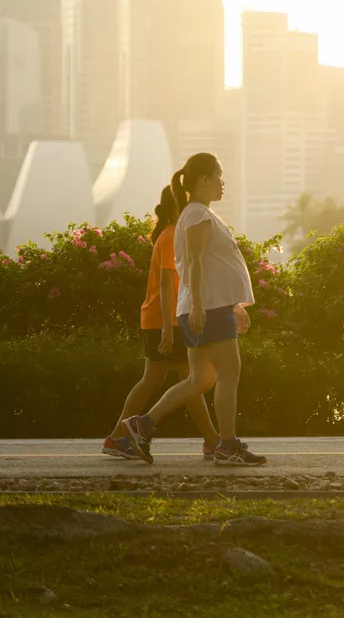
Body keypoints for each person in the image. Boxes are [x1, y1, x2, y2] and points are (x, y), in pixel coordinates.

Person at [119, 153, 266, 466]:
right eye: (219, 176)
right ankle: (227, 445)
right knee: (230, 373)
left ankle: (141, 426)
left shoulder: (197, 213)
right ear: (203, 180)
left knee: (197, 381)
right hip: (206, 307)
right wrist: (201, 306)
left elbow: (212, 265)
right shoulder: (197, 214)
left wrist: (235, 305)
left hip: (206, 305)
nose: (223, 183)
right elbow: (196, 263)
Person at [102, 187, 220, 460]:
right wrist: (168, 329)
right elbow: (167, 286)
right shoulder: (171, 237)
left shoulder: (173, 234)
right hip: (164, 319)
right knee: (186, 381)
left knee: (172, 381)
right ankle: (211, 440)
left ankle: (118, 437)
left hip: (163, 318)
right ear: (179, 207)